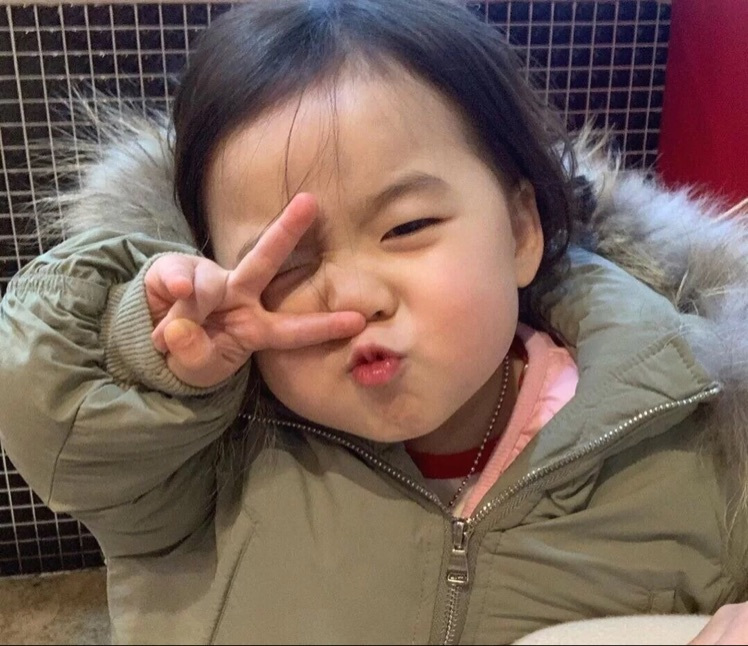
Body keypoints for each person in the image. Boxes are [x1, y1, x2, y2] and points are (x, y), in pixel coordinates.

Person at [0, 0, 747, 643]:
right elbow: (53, 419)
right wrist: (151, 355)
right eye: (284, 262)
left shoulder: (695, 425)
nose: (353, 297)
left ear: (521, 229)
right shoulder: (199, 459)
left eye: (407, 226)